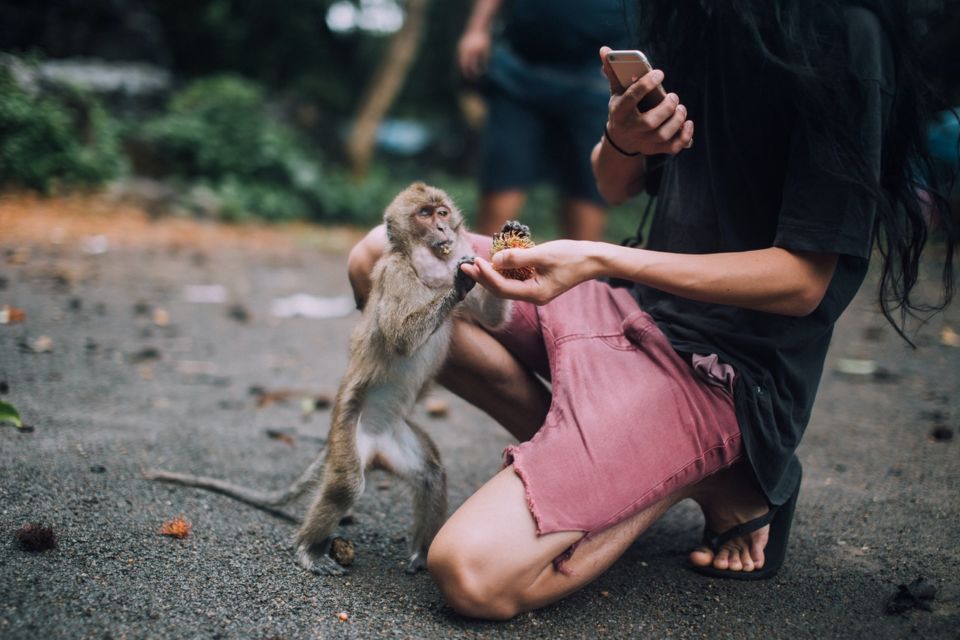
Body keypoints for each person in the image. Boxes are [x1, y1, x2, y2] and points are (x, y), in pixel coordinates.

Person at [348, 0, 958, 620]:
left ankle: (698, 475)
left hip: (720, 372)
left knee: (471, 575)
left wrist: (602, 258)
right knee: (380, 263)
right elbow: (614, 184)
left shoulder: (842, 34)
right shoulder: (695, 15)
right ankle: (646, 469)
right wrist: (622, 140)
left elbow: (803, 281)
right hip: (629, 311)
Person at [457, 0, 630, 240]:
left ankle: (579, 278)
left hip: (597, 83)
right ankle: (482, 273)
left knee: (587, 202)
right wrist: (476, 29)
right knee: (499, 192)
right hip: (517, 74)